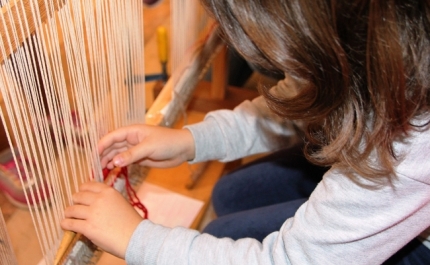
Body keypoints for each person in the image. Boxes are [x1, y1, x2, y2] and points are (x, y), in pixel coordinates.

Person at [61, 0, 430, 264]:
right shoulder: (368, 52)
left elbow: (290, 260)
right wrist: (192, 141)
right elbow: (299, 98)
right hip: (373, 149)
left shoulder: (409, 143)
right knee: (230, 193)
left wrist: (135, 239)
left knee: (219, 237)